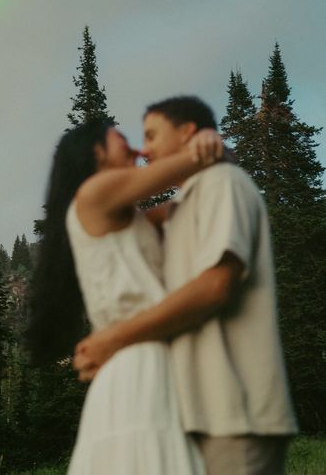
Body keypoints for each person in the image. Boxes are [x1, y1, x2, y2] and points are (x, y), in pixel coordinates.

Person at [73, 96, 298, 475]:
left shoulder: (222, 183)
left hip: (237, 413)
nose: (144, 151)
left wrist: (113, 339)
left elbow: (216, 287)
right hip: (200, 414)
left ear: (188, 133)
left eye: (152, 136)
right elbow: (121, 235)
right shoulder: (181, 205)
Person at [26, 117, 223, 474]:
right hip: (139, 363)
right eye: (123, 141)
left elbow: (195, 198)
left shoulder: (133, 220)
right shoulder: (93, 193)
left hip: (139, 358)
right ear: (96, 152)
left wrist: (211, 150)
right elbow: (193, 163)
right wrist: (204, 139)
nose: (137, 149)